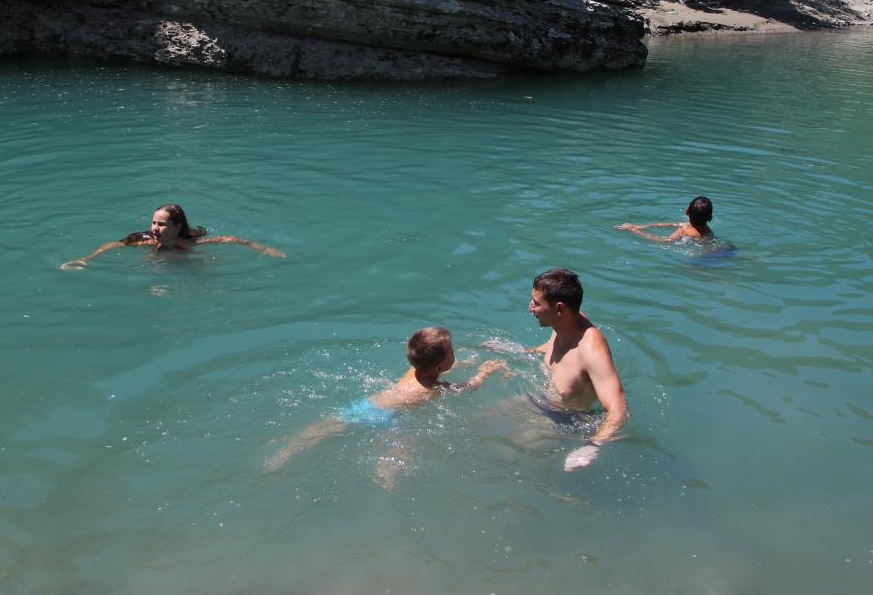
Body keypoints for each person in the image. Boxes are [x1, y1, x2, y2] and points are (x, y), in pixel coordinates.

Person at [262, 326, 511, 486]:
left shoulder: (415, 372)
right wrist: (484, 372)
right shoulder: (434, 388)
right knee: (405, 441)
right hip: (393, 416)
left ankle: (290, 448)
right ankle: (386, 471)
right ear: (438, 367)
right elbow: (466, 389)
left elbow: (438, 368)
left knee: (326, 427)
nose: (456, 356)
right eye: (453, 354)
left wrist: (460, 361)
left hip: (371, 405)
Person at [524, 268, 628, 473]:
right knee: (483, 419)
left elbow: (619, 411)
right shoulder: (563, 323)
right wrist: (516, 351)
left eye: (536, 304)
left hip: (566, 422)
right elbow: (549, 348)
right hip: (542, 403)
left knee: (508, 452)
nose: (530, 309)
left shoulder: (591, 351)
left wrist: (592, 446)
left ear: (559, 309)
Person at [60, 203, 285, 269]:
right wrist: (86, 259)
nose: (155, 228)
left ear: (177, 227)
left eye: (162, 224)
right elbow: (112, 245)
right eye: (153, 223)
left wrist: (264, 249)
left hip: (181, 252)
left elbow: (230, 239)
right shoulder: (144, 240)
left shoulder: (189, 240)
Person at [615, 195, 715, 244]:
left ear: (687, 211)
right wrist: (644, 226)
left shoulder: (684, 230)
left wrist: (634, 229)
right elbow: (673, 224)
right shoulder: (707, 230)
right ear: (710, 218)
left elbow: (664, 240)